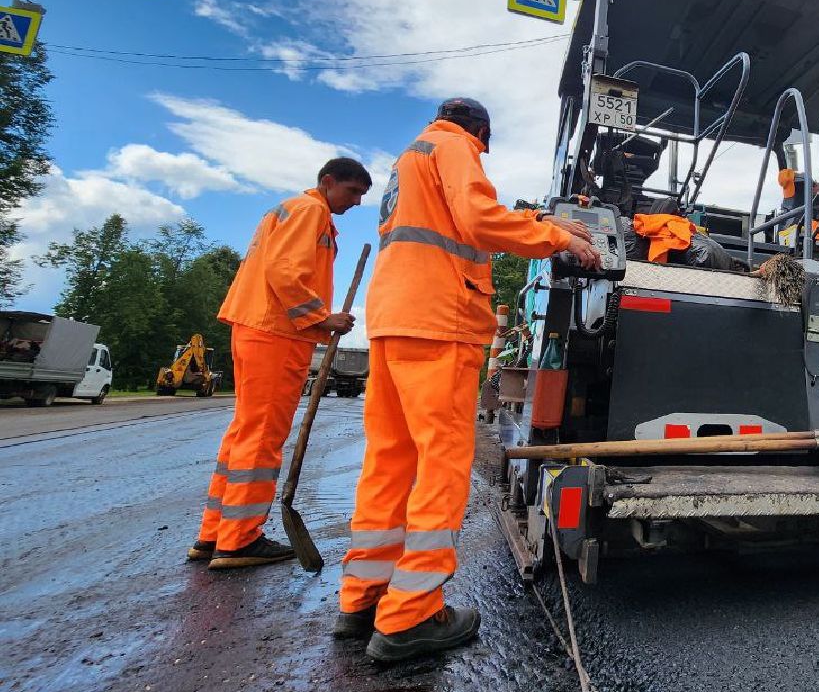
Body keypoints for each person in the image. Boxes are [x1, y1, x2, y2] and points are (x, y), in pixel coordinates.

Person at [336, 97, 602, 663]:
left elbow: (465, 217)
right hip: (440, 321)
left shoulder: (413, 157)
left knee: (389, 461)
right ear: (481, 132)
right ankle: (410, 616)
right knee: (441, 465)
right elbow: (479, 219)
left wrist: (542, 222)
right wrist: (558, 238)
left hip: (394, 319)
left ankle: (364, 596)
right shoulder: (457, 147)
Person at [192, 158, 371, 569]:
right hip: (276, 332)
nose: (357, 202)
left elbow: (278, 266)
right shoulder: (310, 211)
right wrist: (322, 318)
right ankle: (239, 540)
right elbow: (284, 270)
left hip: (258, 326)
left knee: (245, 431)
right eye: (352, 192)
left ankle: (215, 534)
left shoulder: (292, 210)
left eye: (362, 195)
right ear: (328, 182)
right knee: (262, 435)